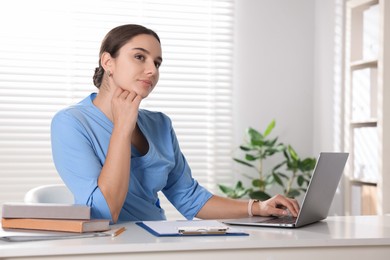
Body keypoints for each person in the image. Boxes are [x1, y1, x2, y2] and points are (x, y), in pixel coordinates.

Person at [51, 24, 299, 224]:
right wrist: (123, 128)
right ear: (108, 62)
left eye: (157, 63)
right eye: (140, 57)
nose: (152, 70)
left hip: (160, 243)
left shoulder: (159, 124)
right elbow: (104, 212)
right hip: (107, 248)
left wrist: (258, 207)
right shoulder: (71, 123)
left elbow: (189, 197)